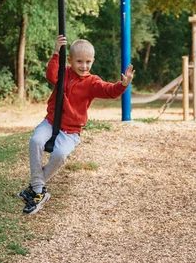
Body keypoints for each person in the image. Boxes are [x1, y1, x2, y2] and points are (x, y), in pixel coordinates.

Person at [18, 35, 135, 214]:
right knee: (35, 141)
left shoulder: (92, 82)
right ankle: (38, 190)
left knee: (60, 154)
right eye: (79, 61)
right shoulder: (63, 73)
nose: (84, 66)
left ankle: (36, 188)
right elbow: (51, 76)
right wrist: (56, 52)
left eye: (88, 62)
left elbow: (109, 91)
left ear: (93, 61)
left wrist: (123, 84)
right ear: (70, 60)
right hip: (51, 121)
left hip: (71, 130)